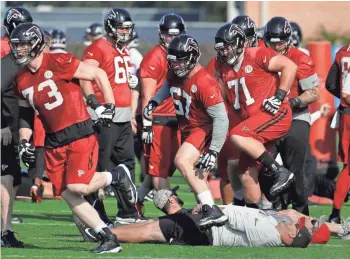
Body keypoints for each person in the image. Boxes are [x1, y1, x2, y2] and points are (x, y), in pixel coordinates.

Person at [10, 22, 137, 253]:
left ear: (37, 44)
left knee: (77, 186)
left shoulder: (58, 61)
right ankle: (107, 236)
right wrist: (24, 141)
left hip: (79, 132)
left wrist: (109, 105)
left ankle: (116, 176)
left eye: (23, 46)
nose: (18, 50)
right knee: (67, 193)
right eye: (16, 46)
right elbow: (26, 116)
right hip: (53, 140)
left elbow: (97, 73)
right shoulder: (20, 78)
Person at [143, 34, 229, 229]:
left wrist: (213, 150)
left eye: (180, 62)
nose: (175, 66)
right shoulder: (175, 73)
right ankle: (213, 213)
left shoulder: (204, 81)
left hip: (203, 128)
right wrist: (155, 100)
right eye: (172, 62)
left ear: (192, 58)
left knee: (182, 160)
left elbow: (221, 118)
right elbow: (168, 85)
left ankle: (210, 209)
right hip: (189, 129)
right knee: (198, 174)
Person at [213, 23, 296, 208]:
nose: (224, 52)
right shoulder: (222, 68)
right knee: (245, 172)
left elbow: (290, 65)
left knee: (237, 134)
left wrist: (279, 95)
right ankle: (254, 218)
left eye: (227, 47)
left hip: (275, 113)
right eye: (221, 49)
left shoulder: (256, 54)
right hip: (253, 124)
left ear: (240, 43)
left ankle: (280, 171)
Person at [80, 8, 141, 225]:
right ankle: (95, 214)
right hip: (105, 116)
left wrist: (132, 83)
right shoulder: (98, 48)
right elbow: (84, 78)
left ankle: (127, 212)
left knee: (126, 165)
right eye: (121, 28)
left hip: (123, 117)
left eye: (127, 28)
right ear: (110, 28)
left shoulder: (123, 50)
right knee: (98, 165)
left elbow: (117, 79)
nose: (125, 32)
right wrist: (95, 105)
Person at [262, 17, 320, 215]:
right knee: (262, 166)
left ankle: (300, 211)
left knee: (295, 164)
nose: (277, 46)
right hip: (267, 118)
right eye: (273, 42)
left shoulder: (301, 57)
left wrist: (292, 102)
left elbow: (313, 92)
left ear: (289, 39)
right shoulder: (260, 56)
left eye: (281, 42)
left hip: (295, 116)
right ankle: (276, 205)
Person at [137, 13, 185, 213]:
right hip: (157, 121)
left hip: (175, 118)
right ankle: (175, 215)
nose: (172, 40)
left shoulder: (179, 55)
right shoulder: (154, 58)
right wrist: (147, 124)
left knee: (165, 168)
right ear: (161, 35)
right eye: (168, 36)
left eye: (176, 35)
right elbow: (148, 97)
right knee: (158, 172)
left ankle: (134, 204)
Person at [1, 6, 33, 248]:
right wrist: (2, 124)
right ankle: (5, 230)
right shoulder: (6, 51)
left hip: (16, 122)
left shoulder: (23, 53)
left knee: (10, 177)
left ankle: (6, 227)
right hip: (5, 124)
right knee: (7, 175)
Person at [326, 44, 350, 223]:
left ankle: (335, 214)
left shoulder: (343, 51)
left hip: (345, 114)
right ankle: (335, 213)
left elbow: (331, 84)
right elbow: (346, 92)